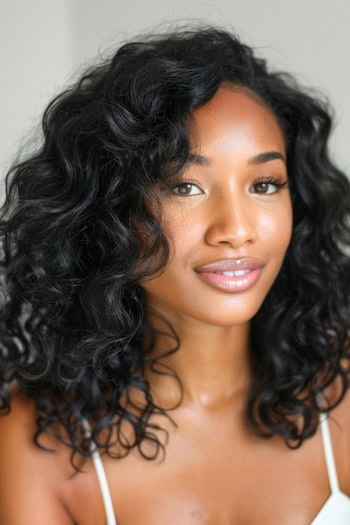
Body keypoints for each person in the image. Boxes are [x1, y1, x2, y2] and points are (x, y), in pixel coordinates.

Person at [0, 23, 349, 525]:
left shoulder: (342, 395)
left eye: (265, 184)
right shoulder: (39, 442)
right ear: (109, 209)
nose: (236, 230)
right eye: (185, 187)